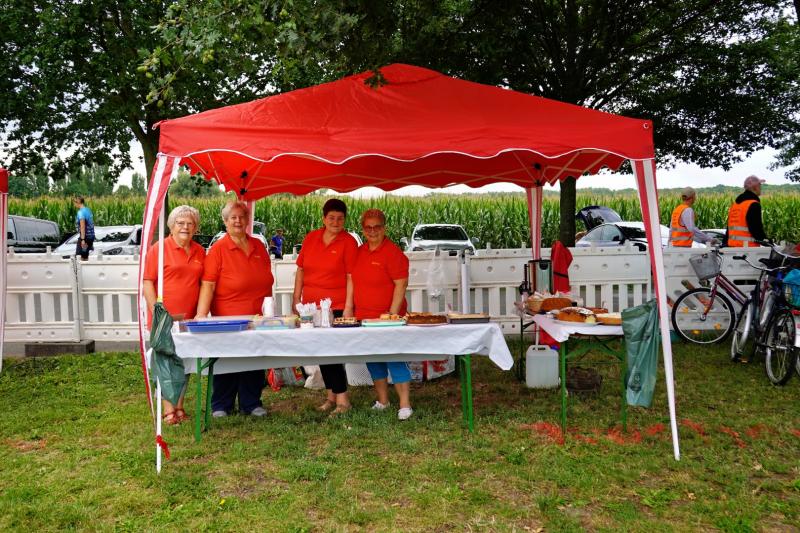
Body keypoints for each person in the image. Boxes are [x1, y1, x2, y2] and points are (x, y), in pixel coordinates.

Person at [196, 200, 274, 417]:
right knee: (227, 358)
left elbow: (266, 278)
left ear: (248, 220)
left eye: (242, 217)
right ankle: (221, 405)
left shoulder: (258, 246)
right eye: (233, 218)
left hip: (256, 316)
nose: (238, 221)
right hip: (228, 315)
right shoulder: (218, 250)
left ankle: (251, 403)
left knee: (254, 357)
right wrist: (201, 314)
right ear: (225, 221)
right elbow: (208, 284)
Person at [293, 198, 358, 415]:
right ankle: (331, 397)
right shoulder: (311, 238)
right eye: (331, 218)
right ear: (323, 218)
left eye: (340, 218)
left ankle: (343, 400)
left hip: (336, 305)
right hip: (311, 306)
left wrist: (348, 307)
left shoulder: (348, 242)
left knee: (332, 352)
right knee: (322, 351)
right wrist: (296, 298)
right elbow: (301, 270)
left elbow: (351, 276)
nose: (335, 222)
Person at [142, 205, 205, 425]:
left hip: (188, 319)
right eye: (180, 223)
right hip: (164, 318)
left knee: (184, 362)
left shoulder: (199, 251)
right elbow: (147, 282)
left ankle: (179, 406)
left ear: (195, 227)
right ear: (171, 226)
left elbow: (203, 283)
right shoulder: (159, 249)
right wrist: (156, 310)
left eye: (190, 223)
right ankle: (168, 410)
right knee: (166, 362)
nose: (185, 227)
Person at [353, 209, 413, 420]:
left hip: (389, 319)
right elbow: (352, 280)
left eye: (377, 226)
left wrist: (392, 315)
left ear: (384, 228)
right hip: (365, 318)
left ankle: (405, 404)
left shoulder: (393, 253)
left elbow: (401, 284)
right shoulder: (359, 252)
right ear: (363, 229)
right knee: (374, 359)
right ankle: (383, 401)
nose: (372, 231)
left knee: (395, 358)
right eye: (368, 227)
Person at [725, 175, 767, 247]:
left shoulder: (735, 205)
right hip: (749, 248)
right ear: (755, 187)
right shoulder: (753, 204)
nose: (761, 187)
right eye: (759, 185)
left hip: (732, 247)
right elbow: (756, 229)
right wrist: (766, 240)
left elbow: (729, 229)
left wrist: (725, 243)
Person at [73, 196, 95, 260]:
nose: (74, 205)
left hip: (85, 238)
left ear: (78, 202)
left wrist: (83, 240)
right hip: (91, 237)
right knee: (85, 255)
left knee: (79, 256)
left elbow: (82, 226)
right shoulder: (88, 210)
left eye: (75, 203)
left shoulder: (80, 212)